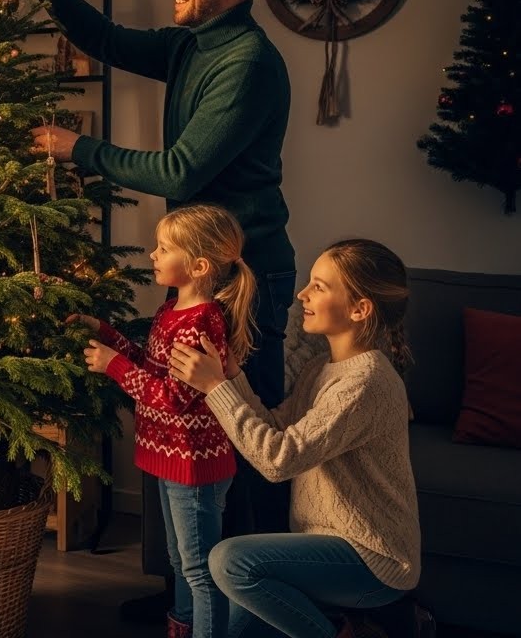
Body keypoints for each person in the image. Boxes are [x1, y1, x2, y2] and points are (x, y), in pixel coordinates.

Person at [0, 0, 298, 621]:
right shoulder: (196, 43)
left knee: (237, 448)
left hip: (240, 278)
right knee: (188, 437)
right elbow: (106, 40)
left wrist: (78, 150)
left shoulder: (246, 63)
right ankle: (187, 606)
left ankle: (243, 614)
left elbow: (181, 167)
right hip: (202, 271)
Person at [169, 239, 421, 638]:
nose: (302, 294)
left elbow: (278, 461)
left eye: (319, 286)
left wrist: (215, 388)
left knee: (230, 561)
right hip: (320, 548)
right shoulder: (323, 368)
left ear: (360, 309)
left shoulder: (365, 381)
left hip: (371, 560)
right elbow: (276, 427)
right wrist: (232, 377)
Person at [74, 204, 256, 638]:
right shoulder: (171, 309)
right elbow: (153, 369)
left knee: (198, 568)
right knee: (180, 561)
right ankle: (183, 627)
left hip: (193, 466)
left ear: (197, 265)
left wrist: (114, 366)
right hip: (167, 458)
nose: (152, 255)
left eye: (163, 248)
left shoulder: (201, 321)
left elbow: (174, 398)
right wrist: (106, 333)